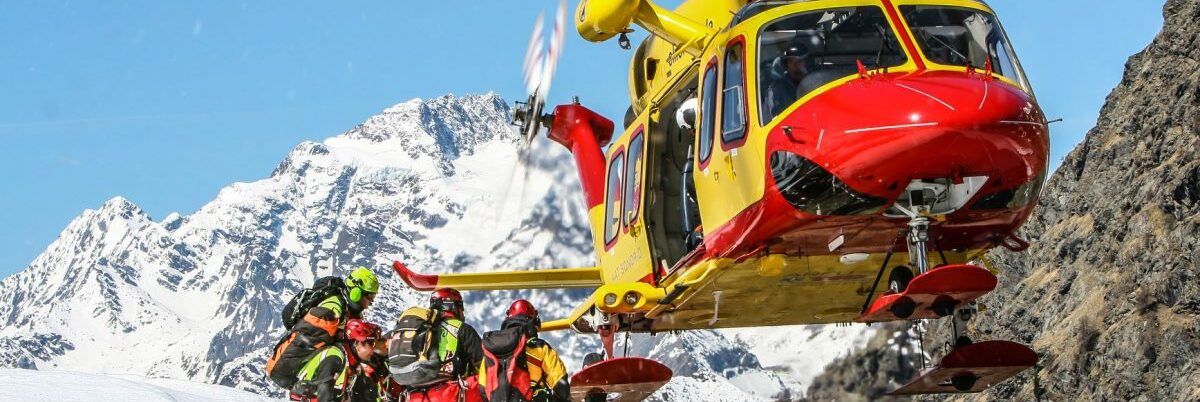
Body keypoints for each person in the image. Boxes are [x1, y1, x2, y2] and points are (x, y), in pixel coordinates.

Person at [402, 287, 485, 402]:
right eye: (460, 306)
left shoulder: (416, 329)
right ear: (452, 305)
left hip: (414, 396)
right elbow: (483, 365)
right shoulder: (462, 329)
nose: (462, 311)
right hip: (447, 394)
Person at [479, 300, 570, 402]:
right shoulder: (539, 347)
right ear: (533, 321)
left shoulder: (492, 349)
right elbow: (560, 383)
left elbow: (482, 389)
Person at [292, 319, 383, 402]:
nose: (373, 350)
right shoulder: (335, 356)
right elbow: (324, 393)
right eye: (372, 344)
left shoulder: (349, 363)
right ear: (357, 344)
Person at [294, 267, 381, 342]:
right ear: (357, 294)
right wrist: (345, 336)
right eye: (370, 297)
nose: (371, 302)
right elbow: (313, 339)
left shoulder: (350, 310)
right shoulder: (333, 307)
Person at [764, 40, 812, 119]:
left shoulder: (816, 83)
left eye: (799, 60)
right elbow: (769, 118)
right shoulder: (777, 89)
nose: (795, 64)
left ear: (806, 62)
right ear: (786, 63)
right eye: (791, 60)